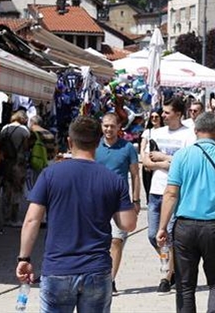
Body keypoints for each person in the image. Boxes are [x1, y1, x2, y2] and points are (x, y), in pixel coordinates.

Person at [16, 116, 137, 312]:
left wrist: (24, 259)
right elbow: (128, 224)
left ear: (69, 142)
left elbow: (31, 220)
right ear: (98, 142)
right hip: (97, 268)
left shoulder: (50, 174)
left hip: (58, 268)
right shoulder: (113, 179)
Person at [156, 112, 215, 313]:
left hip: (185, 227)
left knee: (185, 284)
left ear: (195, 131)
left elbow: (171, 193)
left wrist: (162, 227)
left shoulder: (181, 156)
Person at [141, 97, 196, 294]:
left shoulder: (188, 135)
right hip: (155, 190)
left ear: (178, 114)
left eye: (167, 112)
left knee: (169, 234)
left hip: (175, 191)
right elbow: (147, 162)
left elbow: (187, 163)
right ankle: (173, 266)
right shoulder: (157, 133)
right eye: (162, 112)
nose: (162, 115)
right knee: (152, 235)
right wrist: (167, 163)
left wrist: (163, 158)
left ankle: (166, 275)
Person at [95, 113, 141, 294]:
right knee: (99, 242)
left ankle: (110, 281)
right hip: (97, 201)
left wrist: (136, 200)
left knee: (116, 240)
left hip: (120, 202)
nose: (108, 129)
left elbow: (135, 175)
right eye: (105, 126)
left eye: (112, 126)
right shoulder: (95, 146)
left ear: (119, 127)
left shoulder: (127, 148)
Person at [0, 111, 30, 227]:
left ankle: (5, 216)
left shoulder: (5, 129)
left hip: (6, 162)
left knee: (6, 188)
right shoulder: (24, 130)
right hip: (19, 162)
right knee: (17, 189)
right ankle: (14, 217)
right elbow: (26, 147)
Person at [140, 109, 163, 199]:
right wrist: (145, 162)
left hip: (159, 161)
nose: (154, 119)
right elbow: (142, 148)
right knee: (148, 186)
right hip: (148, 161)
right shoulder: (147, 132)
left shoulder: (165, 131)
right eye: (152, 117)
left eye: (156, 117)